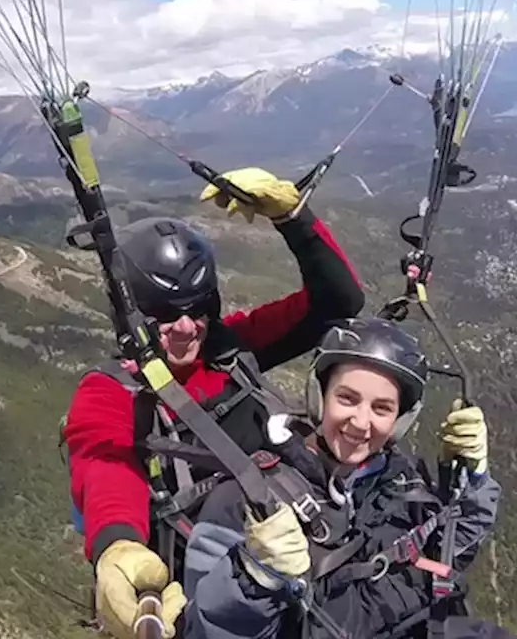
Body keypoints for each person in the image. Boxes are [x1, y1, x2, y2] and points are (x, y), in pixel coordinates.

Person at [61, 167, 367, 639]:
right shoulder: (112, 390)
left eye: (197, 310)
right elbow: (104, 465)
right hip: (216, 604)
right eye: (163, 316)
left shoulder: (230, 349)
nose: (185, 330)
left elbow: (337, 301)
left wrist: (295, 220)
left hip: (304, 562)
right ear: (131, 314)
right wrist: (117, 546)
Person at [178, 317, 505, 639]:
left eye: (381, 408)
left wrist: (472, 482)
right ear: (320, 397)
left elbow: (449, 554)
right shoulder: (247, 499)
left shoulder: (401, 482)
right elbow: (203, 630)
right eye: (347, 399)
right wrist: (252, 579)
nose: (361, 422)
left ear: (399, 420)